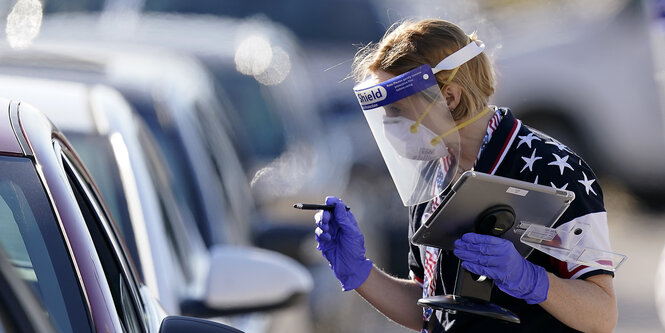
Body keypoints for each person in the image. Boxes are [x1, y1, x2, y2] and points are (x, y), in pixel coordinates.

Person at [314, 19, 618, 332]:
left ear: (449, 97)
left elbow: (602, 315)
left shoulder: (551, 169)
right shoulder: (431, 175)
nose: (389, 126)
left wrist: (532, 280)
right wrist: (359, 273)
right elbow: (431, 309)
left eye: (397, 110)